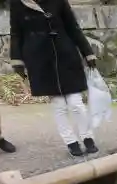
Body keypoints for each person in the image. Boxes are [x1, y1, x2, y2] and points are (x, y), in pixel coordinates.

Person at [9, 0, 99, 157]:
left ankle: (88, 137)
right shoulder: (17, 3)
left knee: (76, 103)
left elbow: (73, 27)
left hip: (65, 55)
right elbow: (16, 33)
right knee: (59, 105)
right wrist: (17, 61)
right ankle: (71, 141)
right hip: (39, 59)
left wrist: (87, 52)